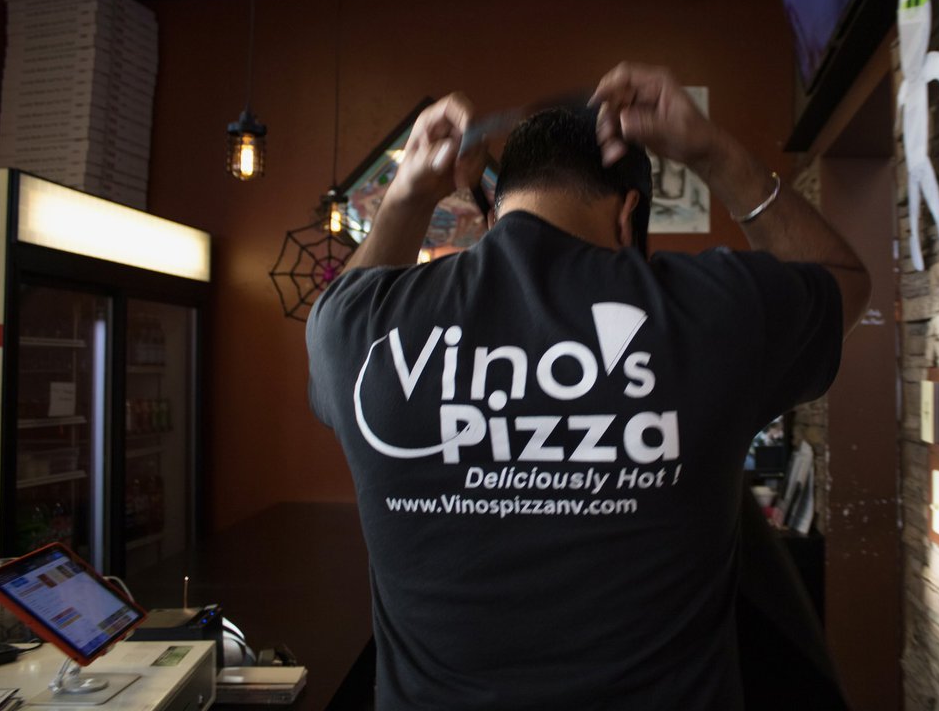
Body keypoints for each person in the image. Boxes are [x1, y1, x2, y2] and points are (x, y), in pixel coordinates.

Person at [306, 62, 870, 709]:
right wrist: (713, 152)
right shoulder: (710, 313)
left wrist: (407, 194)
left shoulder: (360, 331)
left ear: (496, 213)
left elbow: (342, 305)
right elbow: (842, 279)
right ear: (630, 214)